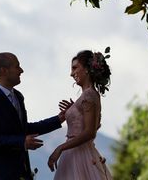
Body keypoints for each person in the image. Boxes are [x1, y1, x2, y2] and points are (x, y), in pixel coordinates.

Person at [0, 52, 71, 180]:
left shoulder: (18, 96)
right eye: (17, 66)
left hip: (21, 173)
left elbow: (23, 129)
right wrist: (21, 142)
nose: (21, 70)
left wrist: (59, 119)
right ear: (3, 71)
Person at [48, 50, 113, 179]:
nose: (71, 73)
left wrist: (60, 148)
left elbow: (90, 132)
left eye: (75, 68)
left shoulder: (88, 95)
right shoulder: (88, 96)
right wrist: (74, 110)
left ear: (87, 69)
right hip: (79, 153)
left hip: (79, 155)